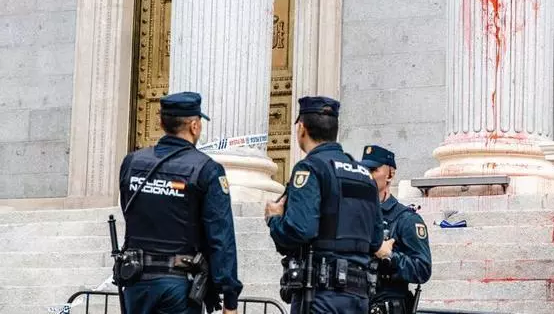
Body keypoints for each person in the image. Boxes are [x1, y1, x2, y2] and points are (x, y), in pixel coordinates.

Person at [118, 91, 242, 314]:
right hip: (178, 285)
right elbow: (221, 236)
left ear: (161, 122)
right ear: (194, 126)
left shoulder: (132, 162)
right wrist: (230, 297)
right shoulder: (207, 169)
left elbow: (129, 210)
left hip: (135, 282)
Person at [264, 96, 384, 313]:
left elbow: (299, 230)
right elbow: (376, 241)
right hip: (358, 297)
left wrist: (274, 219)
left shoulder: (311, 168)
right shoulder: (365, 176)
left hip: (321, 295)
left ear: (301, 128)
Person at [361, 145, 432, 314]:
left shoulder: (405, 219)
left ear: (390, 174)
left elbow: (422, 269)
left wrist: (389, 256)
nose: (367, 176)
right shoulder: (353, 215)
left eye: (373, 170)